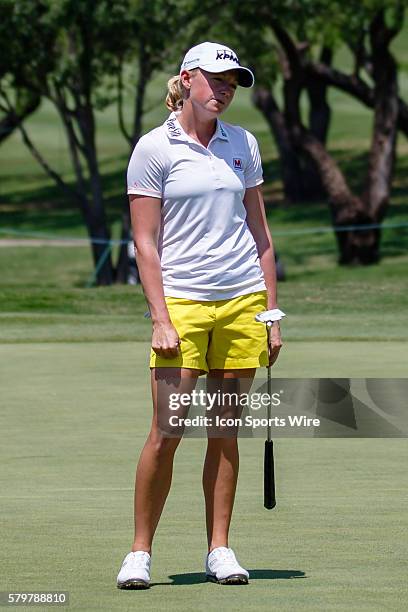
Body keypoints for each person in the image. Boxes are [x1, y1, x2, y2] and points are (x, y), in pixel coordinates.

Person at [116, 41, 283, 589]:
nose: (225, 89)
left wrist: (270, 314)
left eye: (233, 82)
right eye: (216, 79)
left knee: (225, 430)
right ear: (187, 79)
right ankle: (140, 552)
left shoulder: (244, 143)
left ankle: (220, 549)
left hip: (241, 301)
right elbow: (145, 243)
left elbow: (260, 233)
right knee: (168, 430)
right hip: (183, 302)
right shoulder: (153, 148)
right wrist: (159, 317)